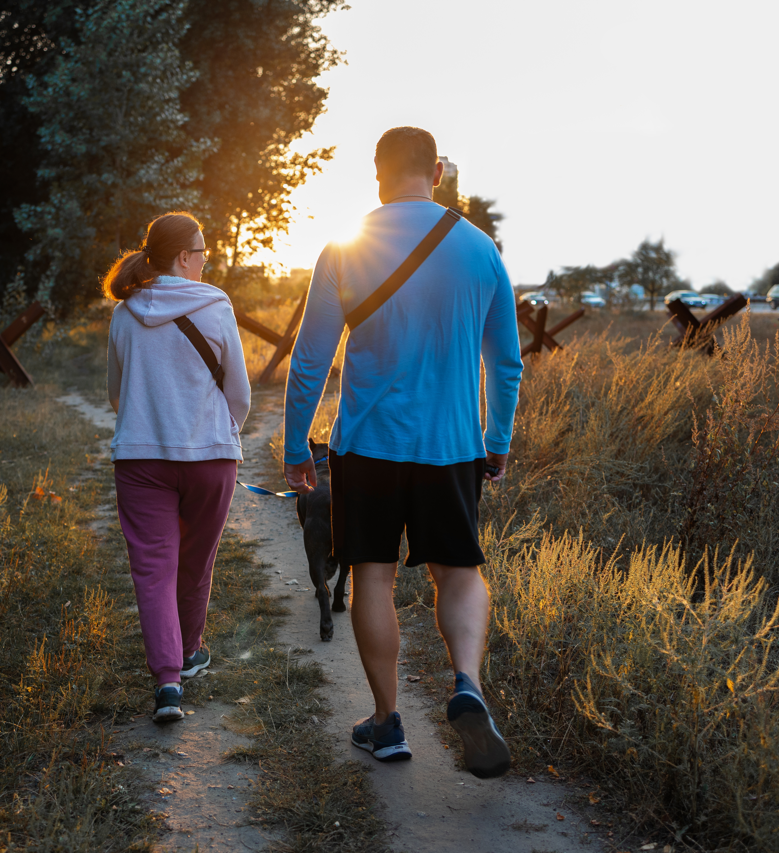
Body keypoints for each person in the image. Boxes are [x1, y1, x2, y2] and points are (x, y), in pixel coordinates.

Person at [282, 127, 523, 778]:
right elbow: (505, 362)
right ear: (438, 171)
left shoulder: (345, 248)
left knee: (373, 576)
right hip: (451, 447)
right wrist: (495, 442)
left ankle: (387, 721)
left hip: (368, 445)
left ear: (378, 173)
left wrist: (295, 443)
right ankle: (466, 682)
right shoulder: (480, 250)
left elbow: (310, 359)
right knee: (460, 571)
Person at [104, 211, 252, 723]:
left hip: (141, 460)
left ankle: (168, 681)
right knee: (195, 560)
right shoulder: (216, 306)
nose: (207, 258)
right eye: (203, 250)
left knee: (153, 570)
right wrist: (220, 431)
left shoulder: (123, 315)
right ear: (184, 256)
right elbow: (240, 393)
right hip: (211, 459)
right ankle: (189, 653)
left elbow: (115, 395)